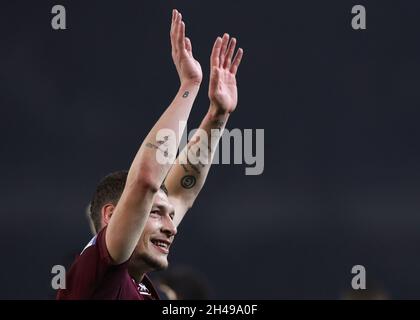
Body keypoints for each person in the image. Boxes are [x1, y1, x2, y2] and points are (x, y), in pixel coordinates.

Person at [57, 9, 243, 300]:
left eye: (169, 216)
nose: (172, 228)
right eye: (156, 213)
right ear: (112, 216)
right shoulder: (98, 274)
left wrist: (217, 114)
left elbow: (183, 192)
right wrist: (189, 87)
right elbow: (146, 179)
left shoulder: (137, 285)